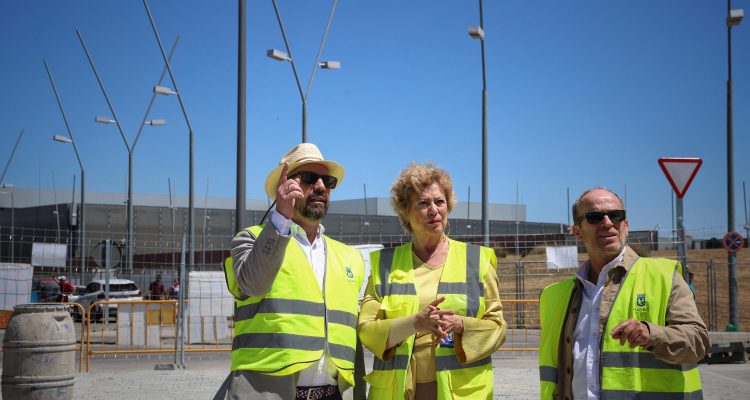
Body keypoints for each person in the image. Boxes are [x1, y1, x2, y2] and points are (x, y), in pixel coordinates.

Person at [223, 143, 365, 400]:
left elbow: (348, 334)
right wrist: (280, 218)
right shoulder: (251, 240)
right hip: (266, 394)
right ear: (285, 185)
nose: (321, 187)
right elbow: (252, 285)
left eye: (328, 181)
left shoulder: (350, 258)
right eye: (310, 178)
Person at [538, 187, 709, 400]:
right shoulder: (554, 296)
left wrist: (651, 334)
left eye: (616, 215)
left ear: (626, 225)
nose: (608, 222)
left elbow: (698, 343)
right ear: (577, 231)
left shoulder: (664, 276)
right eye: (595, 217)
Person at [357, 162, 507, 399]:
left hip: (460, 392)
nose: (434, 210)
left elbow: (497, 328)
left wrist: (461, 325)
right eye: (423, 203)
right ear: (405, 212)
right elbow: (367, 331)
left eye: (440, 202)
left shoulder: (477, 261)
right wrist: (415, 323)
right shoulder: (384, 265)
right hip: (399, 391)